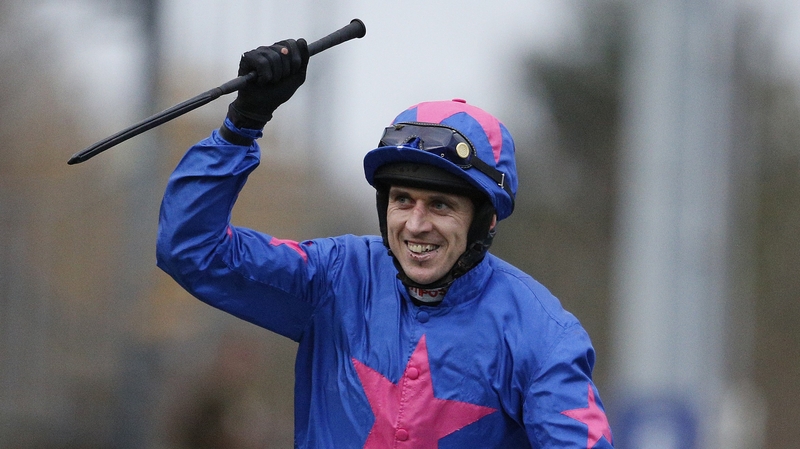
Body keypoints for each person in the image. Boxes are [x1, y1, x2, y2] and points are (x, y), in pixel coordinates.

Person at [157, 38, 613, 449]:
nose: (416, 224)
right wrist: (242, 126)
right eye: (402, 200)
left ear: (486, 219)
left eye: (440, 205)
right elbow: (191, 250)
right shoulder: (333, 276)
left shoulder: (542, 332)